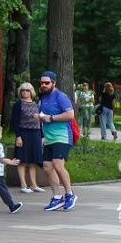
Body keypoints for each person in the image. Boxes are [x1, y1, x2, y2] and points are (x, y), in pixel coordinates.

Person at [37, 70, 77, 211]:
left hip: (62, 136)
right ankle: (57, 197)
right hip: (48, 137)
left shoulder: (61, 97)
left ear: (54, 83)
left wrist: (52, 118)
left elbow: (70, 114)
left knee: (58, 165)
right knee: (47, 167)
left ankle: (70, 194)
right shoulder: (42, 98)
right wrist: (39, 120)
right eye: (42, 82)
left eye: (47, 83)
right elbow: (43, 117)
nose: (44, 85)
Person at [11, 82, 45, 194]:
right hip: (23, 133)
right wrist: (18, 136)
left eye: (27, 90)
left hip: (35, 133)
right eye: (23, 90)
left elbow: (40, 121)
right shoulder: (18, 104)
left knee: (34, 160)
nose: (25, 92)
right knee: (22, 159)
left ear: (31, 92)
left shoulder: (36, 104)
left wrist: (42, 136)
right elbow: (15, 122)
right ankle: (23, 184)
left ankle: (34, 184)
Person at [0, 123, 23, 214]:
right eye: (1, 133)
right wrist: (11, 162)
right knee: (3, 190)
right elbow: (1, 159)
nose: (1, 135)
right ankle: (12, 206)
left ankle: (12, 206)